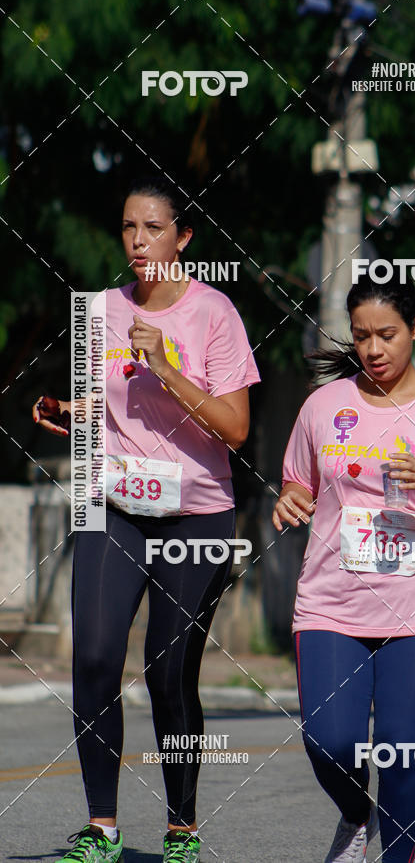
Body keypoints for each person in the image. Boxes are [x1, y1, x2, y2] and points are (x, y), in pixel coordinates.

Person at [33, 175, 260, 863]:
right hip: (112, 503)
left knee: (168, 672)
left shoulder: (214, 313)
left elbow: (236, 430)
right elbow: (103, 402)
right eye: (128, 228)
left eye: (153, 228)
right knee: (96, 657)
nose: (137, 242)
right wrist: (73, 414)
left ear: (182, 236)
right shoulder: (97, 309)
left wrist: (165, 369)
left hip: (196, 515)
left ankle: (182, 827)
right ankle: (101, 827)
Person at [272, 274, 415, 863]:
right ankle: (354, 815)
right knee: (327, 742)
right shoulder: (323, 405)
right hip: (330, 603)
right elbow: (299, 478)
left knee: (399, 749)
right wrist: (290, 497)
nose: (373, 349)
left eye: (387, 335)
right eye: (362, 335)